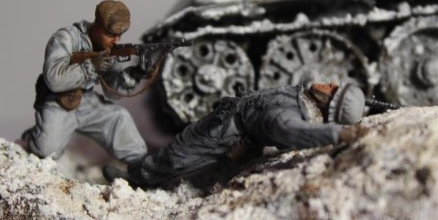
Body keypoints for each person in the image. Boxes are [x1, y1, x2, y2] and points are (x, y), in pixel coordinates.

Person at [103, 81, 366, 188]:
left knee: (178, 155)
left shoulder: (293, 116)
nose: (327, 83)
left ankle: (137, 179)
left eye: (332, 89)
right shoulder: (301, 97)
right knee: (186, 150)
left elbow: (289, 130)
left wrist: (338, 134)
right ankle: (157, 178)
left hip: (229, 133)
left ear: (329, 102)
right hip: (228, 118)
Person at [23, 0, 148, 171]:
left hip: (86, 100)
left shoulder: (111, 47)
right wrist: (90, 66)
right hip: (57, 101)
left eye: (120, 35)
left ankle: (141, 169)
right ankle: (34, 135)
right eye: (111, 34)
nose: (116, 40)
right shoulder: (66, 38)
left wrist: (133, 75)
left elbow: (112, 93)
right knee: (46, 149)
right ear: (97, 25)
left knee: (119, 117)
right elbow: (53, 79)